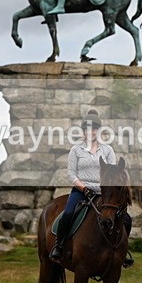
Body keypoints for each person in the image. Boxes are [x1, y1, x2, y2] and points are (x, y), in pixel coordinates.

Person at [50, 109, 117, 264]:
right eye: (87, 128)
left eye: (94, 128)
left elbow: (111, 173)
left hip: (103, 193)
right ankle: (59, 246)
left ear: (98, 131)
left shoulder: (107, 150)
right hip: (82, 191)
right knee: (67, 214)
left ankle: (122, 250)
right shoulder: (76, 150)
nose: (91, 131)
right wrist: (83, 188)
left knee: (124, 217)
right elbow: (71, 174)